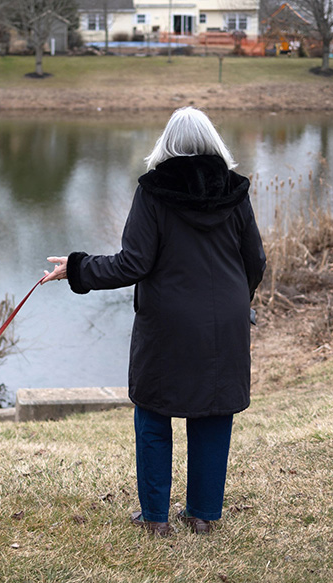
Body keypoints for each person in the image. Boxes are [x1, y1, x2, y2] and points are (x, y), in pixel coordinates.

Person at [42, 107, 265, 537]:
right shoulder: (236, 191)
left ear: (167, 143)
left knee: (153, 414)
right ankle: (203, 515)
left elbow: (133, 263)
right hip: (226, 323)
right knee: (213, 414)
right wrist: (239, 301)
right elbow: (254, 259)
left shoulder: (154, 192)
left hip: (167, 323)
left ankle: (156, 518)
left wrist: (77, 267)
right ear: (213, 141)